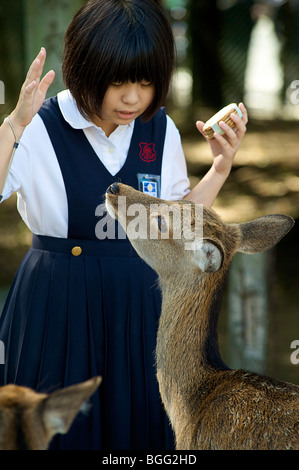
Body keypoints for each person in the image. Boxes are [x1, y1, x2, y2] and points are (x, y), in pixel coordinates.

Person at [0, 0, 247, 450]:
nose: (132, 98)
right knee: (59, 434)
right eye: (117, 82)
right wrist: (14, 124)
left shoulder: (161, 130)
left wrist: (219, 169)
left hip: (141, 307)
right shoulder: (39, 125)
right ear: (85, 68)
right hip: (57, 304)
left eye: (146, 81)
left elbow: (175, 224)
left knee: (139, 431)